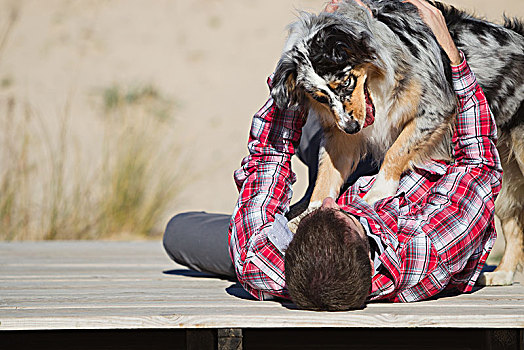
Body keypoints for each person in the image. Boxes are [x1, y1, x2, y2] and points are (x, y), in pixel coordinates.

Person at [163, 0, 502, 310]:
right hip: (404, 163)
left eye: (314, 217)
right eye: (340, 214)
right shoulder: (430, 247)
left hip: (334, 176)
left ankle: (309, 168)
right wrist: (455, 59)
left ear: (289, 255)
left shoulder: (262, 264)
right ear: (369, 246)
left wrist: (299, 63)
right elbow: (480, 165)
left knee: (178, 232)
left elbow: (268, 153)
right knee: (335, 128)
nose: (330, 202)